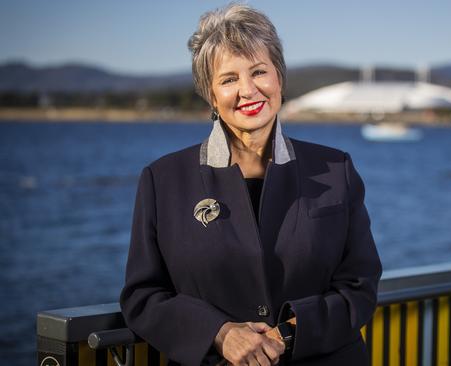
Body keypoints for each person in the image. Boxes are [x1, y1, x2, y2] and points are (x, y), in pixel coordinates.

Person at [119, 4, 382, 366]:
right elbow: (142, 296)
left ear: (279, 79)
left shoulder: (337, 168)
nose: (248, 90)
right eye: (228, 79)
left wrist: (289, 332)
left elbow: (360, 285)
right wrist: (220, 332)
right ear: (211, 95)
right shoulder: (162, 180)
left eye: (259, 72)